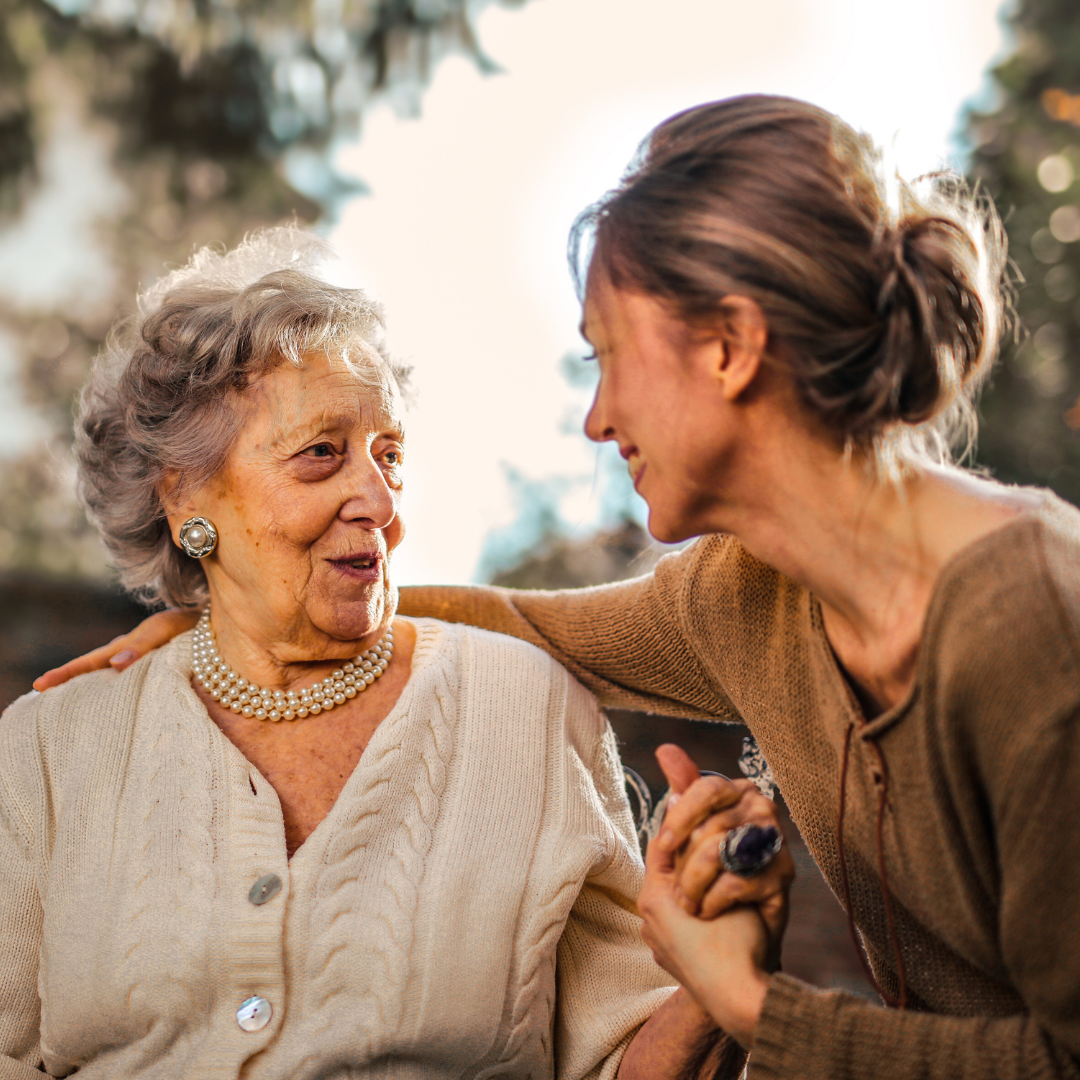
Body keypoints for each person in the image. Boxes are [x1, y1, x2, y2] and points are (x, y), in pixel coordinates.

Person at [44, 93, 1080, 1078]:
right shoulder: (744, 597)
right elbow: (522, 621)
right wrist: (226, 610)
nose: (595, 417)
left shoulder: (1032, 624)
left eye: (609, 355)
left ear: (728, 347)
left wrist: (755, 1008)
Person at [0, 227, 747, 1079]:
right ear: (185, 496)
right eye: (322, 454)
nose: (380, 497)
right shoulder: (49, 750)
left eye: (389, 455)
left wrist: (710, 987)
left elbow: (621, 1060)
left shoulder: (525, 708)